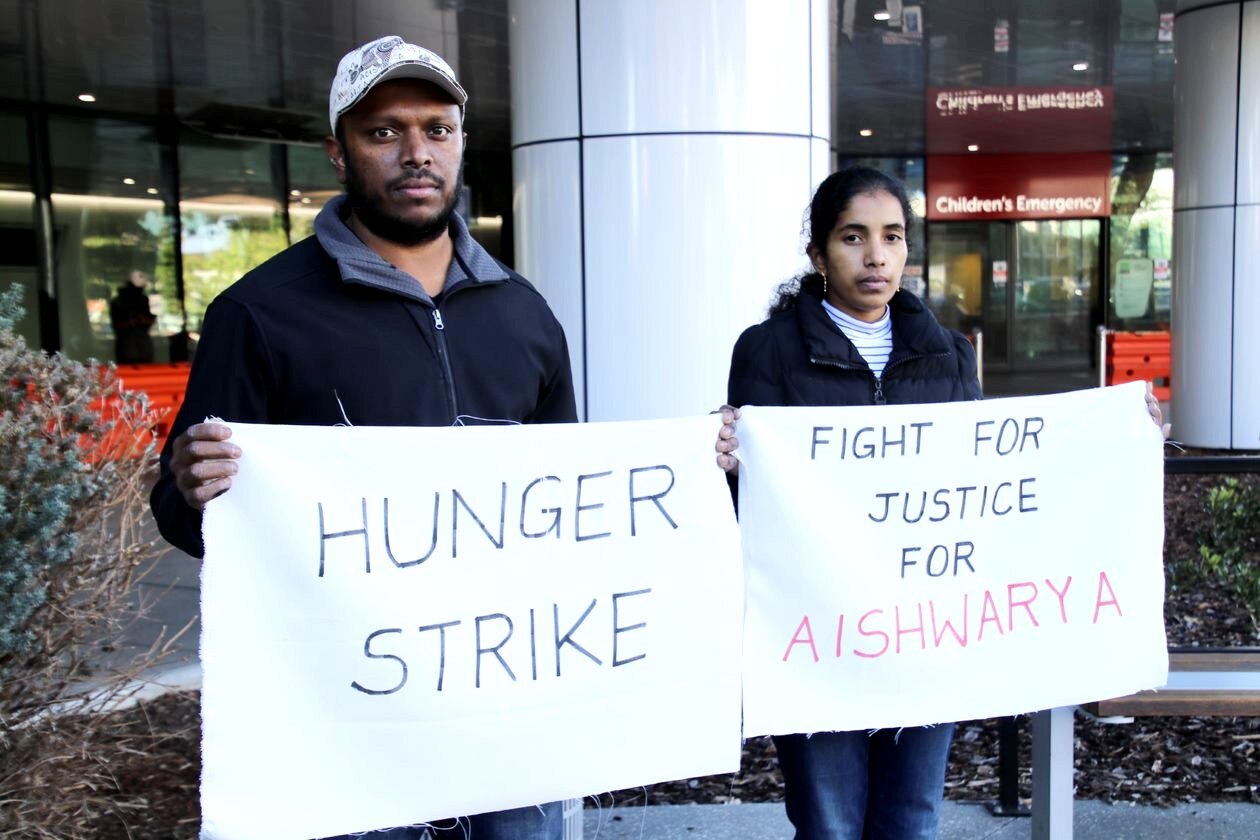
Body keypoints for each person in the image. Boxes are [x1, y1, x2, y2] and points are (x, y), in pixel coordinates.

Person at [148, 35, 574, 840]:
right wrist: (191, 487)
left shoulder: (526, 313)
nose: (417, 153)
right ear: (338, 154)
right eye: (384, 132)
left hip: (508, 713)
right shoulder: (259, 314)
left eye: (436, 129)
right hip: (345, 720)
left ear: (459, 143)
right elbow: (181, 513)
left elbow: (562, 501)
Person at [712, 166, 1167, 839]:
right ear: (818, 255)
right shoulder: (767, 351)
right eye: (853, 237)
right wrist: (725, 457)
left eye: (892, 237)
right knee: (828, 823)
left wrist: (1118, 438)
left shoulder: (949, 354)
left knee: (912, 819)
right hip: (815, 634)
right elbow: (751, 496)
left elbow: (986, 477)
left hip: (923, 631)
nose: (875, 256)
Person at [109, 269, 156, 363]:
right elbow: (117, 324)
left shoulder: (143, 299)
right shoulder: (118, 302)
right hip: (128, 349)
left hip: (143, 349)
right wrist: (133, 322)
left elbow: (147, 319)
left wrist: (146, 320)